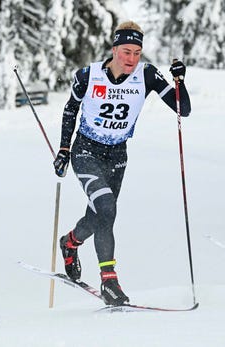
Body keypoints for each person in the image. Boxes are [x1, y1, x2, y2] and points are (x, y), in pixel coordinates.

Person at [53, 21, 191, 306]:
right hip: (86, 151)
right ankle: (109, 281)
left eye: (137, 52)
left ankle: (70, 242)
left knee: (101, 215)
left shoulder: (147, 75)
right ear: (114, 49)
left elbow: (183, 109)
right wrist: (65, 149)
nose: (131, 59)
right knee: (106, 207)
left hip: (117, 154)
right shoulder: (88, 75)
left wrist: (178, 81)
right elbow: (70, 109)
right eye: (126, 51)